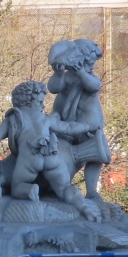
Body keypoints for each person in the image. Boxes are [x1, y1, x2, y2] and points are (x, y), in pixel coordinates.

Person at [0, 81, 100, 222]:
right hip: (51, 154)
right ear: (28, 102)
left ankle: (30, 190)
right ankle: (84, 207)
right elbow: (69, 128)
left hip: (30, 156)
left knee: (17, 187)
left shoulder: (15, 118)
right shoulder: (45, 118)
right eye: (40, 102)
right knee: (65, 187)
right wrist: (88, 126)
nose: (43, 106)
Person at [46, 39, 110, 200]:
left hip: (87, 124)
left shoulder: (89, 77)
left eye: (92, 63)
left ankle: (92, 190)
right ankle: (58, 185)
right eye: (89, 62)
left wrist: (82, 73)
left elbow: (94, 86)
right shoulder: (67, 77)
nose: (92, 66)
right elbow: (53, 88)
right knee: (60, 153)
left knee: (96, 154)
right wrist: (58, 73)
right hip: (65, 121)